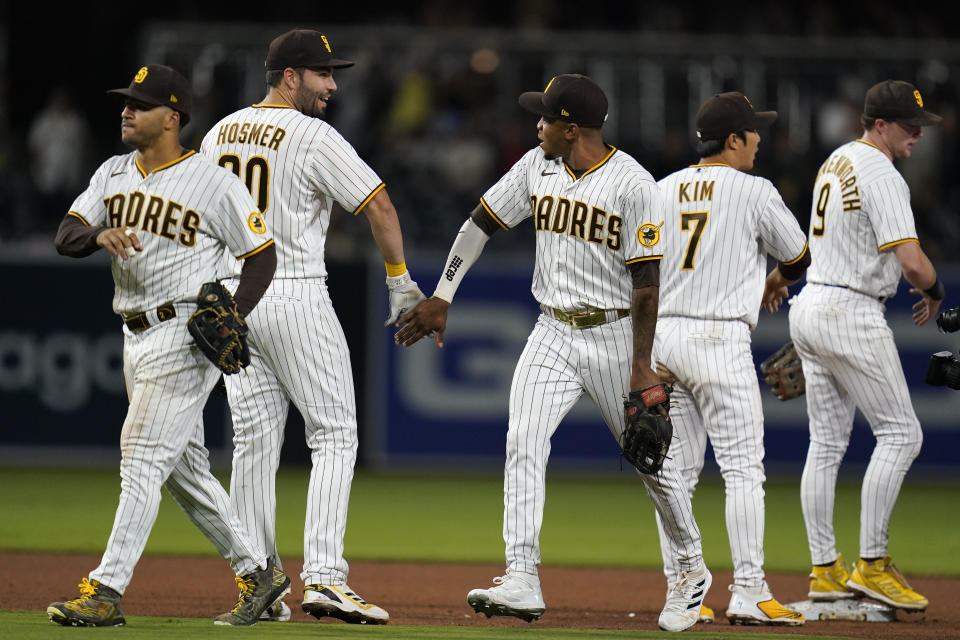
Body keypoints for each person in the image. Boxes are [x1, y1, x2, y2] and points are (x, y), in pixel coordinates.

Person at [395, 73, 710, 633]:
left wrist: (642, 366)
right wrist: (443, 294)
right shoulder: (536, 166)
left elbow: (646, 284)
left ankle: (691, 568)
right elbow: (480, 223)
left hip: (615, 333)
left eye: (543, 117)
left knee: (650, 459)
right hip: (552, 331)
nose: (535, 124)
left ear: (570, 128)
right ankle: (521, 576)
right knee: (523, 439)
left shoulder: (634, 184)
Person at [47, 64, 287, 627]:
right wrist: (98, 233)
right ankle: (261, 574)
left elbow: (262, 255)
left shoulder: (212, 181)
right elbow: (66, 234)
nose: (127, 110)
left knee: (140, 455)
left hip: (184, 332)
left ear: (172, 117)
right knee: (183, 470)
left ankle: (105, 591)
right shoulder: (111, 172)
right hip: (134, 335)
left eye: (141, 103)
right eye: (126, 102)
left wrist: (235, 312)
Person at [199, 29, 423, 625]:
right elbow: (378, 205)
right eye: (323, 74)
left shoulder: (218, 132)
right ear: (290, 76)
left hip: (234, 298)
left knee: (252, 443)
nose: (333, 85)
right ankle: (323, 578)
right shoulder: (313, 135)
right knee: (335, 433)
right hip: (294, 289)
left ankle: (258, 582)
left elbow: (196, 221)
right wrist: (400, 282)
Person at [651, 92, 810, 626]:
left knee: (674, 473)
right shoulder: (755, 190)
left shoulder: (662, 188)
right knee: (743, 471)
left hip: (665, 339)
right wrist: (777, 281)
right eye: (753, 133)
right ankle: (749, 590)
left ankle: (683, 590)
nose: (760, 140)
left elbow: (641, 270)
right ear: (734, 140)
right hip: (719, 340)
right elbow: (799, 254)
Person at [788, 79, 942, 611]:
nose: (918, 133)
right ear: (880, 124)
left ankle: (825, 572)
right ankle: (872, 565)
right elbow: (913, 261)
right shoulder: (881, 170)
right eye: (908, 124)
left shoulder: (837, 160)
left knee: (826, 444)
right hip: (849, 310)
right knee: (902, 434)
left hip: (812, 302)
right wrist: (935, 289)